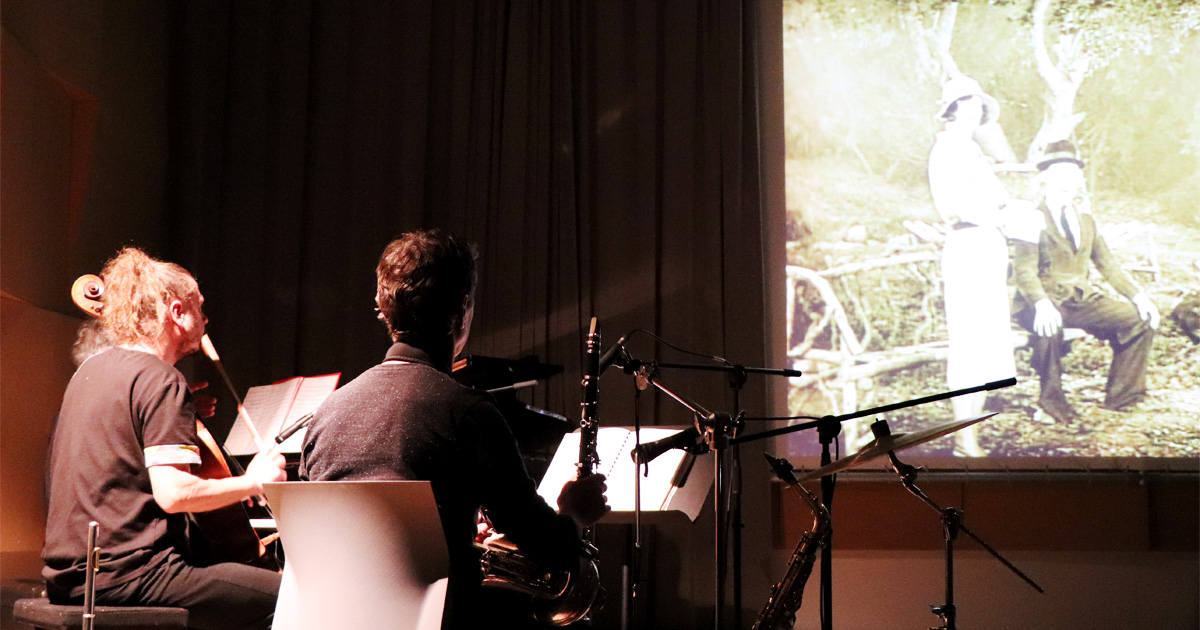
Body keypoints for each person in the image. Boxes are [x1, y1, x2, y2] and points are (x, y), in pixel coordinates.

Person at [300, 229, 609, 629]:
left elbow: (299, 552)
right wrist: (573, 515)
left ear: (384, 308)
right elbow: (544, 544)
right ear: (461, 309)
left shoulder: (327, 412)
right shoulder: (469, 412)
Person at [42, 248, 286, 630]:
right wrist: (253, 482)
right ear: (176, 312)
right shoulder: (160, 378)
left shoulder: (89, 372)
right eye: (199, 308)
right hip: (133, 575)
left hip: (69, 577)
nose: (205, 319)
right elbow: (173, 495)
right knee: (292, 595)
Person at [1012, 140, 1160, 422]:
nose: (1065, 183)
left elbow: (1108, 264)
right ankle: (1052, 401)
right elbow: (1024, 270)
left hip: (1080, 299)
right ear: (1045, 178)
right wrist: (1042, 304)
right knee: (1049, 325)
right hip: (1040, 300)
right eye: (1058, 175)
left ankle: (1123, 396)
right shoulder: (1031, 217)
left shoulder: (1086, 221)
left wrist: (1138, 296)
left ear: (1079, 179)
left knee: (1139, 318)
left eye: (1071, 175)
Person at [927, 74, 1028, 456]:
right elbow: (964, 207)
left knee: (990, 338)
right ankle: (963, 436)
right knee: (968, 340)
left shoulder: (970, 151)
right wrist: (1000, 217)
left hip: (987, 246)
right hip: (968, 245)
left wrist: (1013, 212)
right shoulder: (949, 150)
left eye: (978, 105)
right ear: (951, 111)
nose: (974, 110)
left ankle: (975, 433)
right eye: (966, 104)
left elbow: (1000, 198)